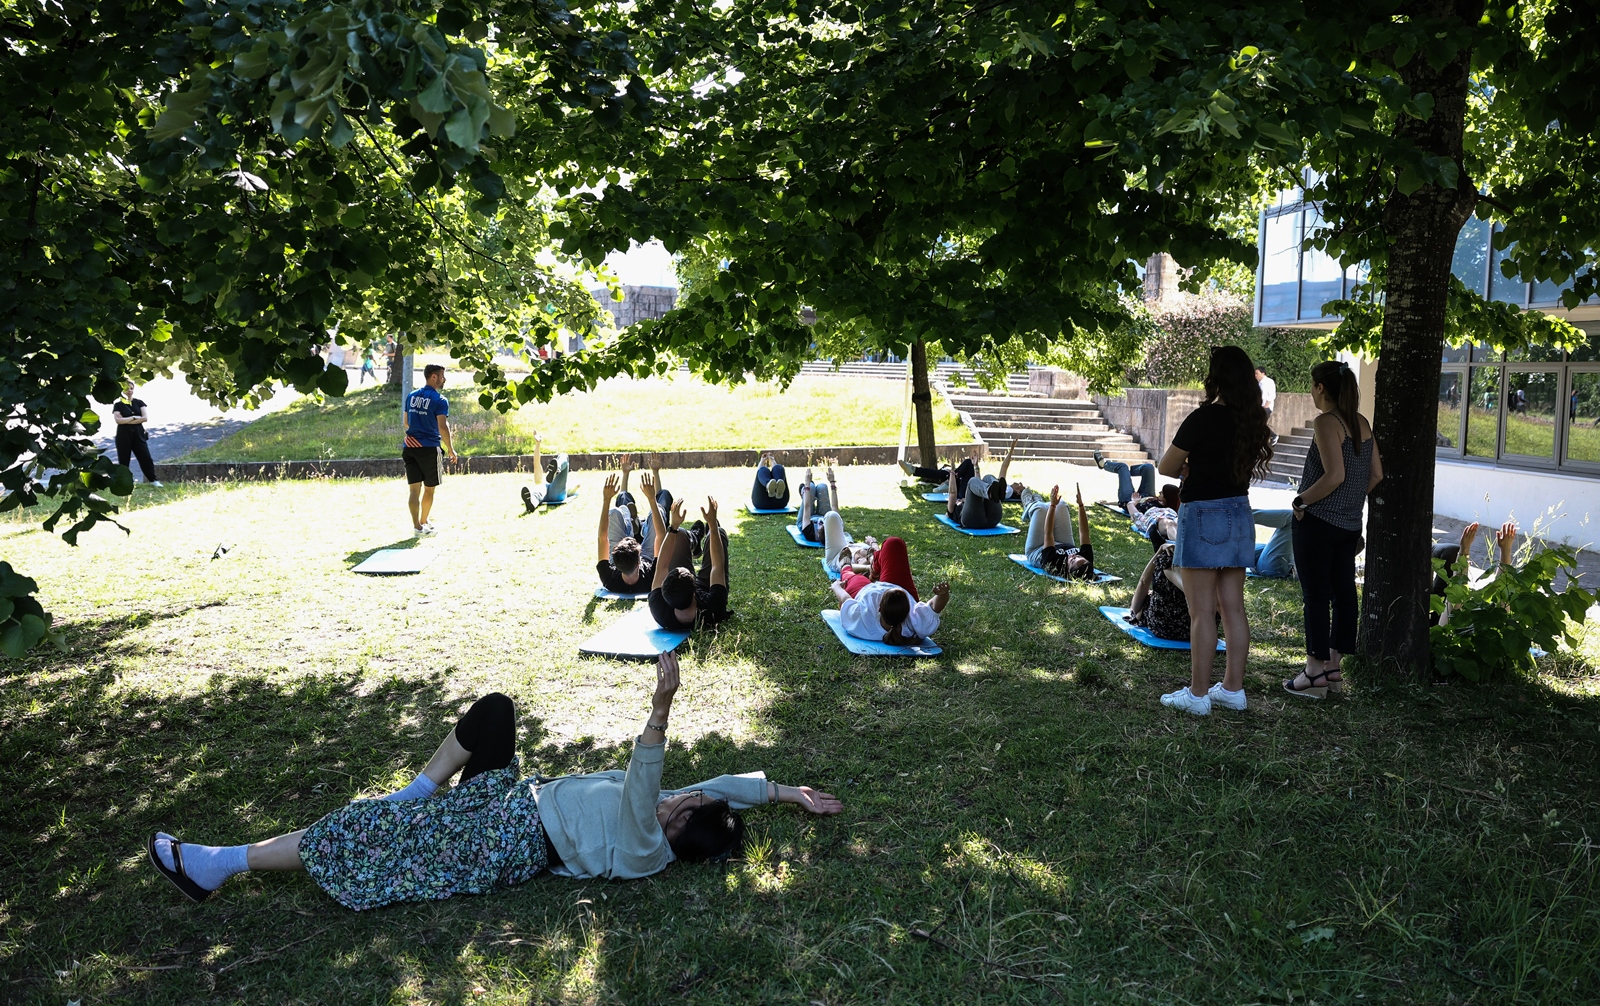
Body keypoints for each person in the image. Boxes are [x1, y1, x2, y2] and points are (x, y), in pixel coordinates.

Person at [146, 653, 843, 908]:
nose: (685, 793)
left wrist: (661, 705)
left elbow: (645, 768)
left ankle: (217, 866)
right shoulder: (665, 815)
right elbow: (718, 781)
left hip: (503, 836)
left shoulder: (642, 844)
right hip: (511, 799)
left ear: (674, 829)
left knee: (356, 832)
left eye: (689, 803)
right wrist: (786, 793)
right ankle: (418, 792)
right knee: (495, 715)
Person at [1154, 345, 1273, 715]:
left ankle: (1198, 695)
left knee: (1202, 612)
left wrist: (1191, 466)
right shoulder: (1253, 420)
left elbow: (1166, 466)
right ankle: (1233, 690)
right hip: (1240, 513)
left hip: (1203, 514)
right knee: (1233, 609)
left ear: (1216, 376)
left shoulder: (1203, 418)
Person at [1284, 360, 1384, 699]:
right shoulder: (1362, 423)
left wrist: (1301, 502)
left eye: (1312, 386)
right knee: (1343, 595)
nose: (1311, 392)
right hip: (1349, 526)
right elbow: (1376, 475)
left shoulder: (1326, 422)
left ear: (1321, 388)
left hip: (1318, 523)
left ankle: (1313, 673)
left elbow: (1334, 475)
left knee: (1315, 596)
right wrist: (1350, 503)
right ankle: (1334, 668)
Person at [829, 543, 950, 644]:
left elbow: (846, 600)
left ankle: (846, 565)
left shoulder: (863, 619)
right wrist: (943, 595)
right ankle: (873, 564)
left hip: (863, 590)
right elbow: (935, 607)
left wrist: (836, 587)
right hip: (894, 583)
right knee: (894, 543)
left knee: (848, 576)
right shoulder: (916, 622)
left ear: (879, 608)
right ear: (908, 610)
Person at [646, 493, 731, 632]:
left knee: (679, 534)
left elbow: (661, 566)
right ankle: (711, 531)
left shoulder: (659, 608)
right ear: (694, 592)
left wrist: (673, 527)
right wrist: (712, 525)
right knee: (719, 533)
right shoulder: (713, 606)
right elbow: (717, 566)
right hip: (707, 589)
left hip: (686, 594)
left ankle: (695, 543)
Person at [596, 458, 673, 594]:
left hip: (633, 559)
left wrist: (606, 500)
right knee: (658, 513)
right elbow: (661, 535)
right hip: (649, 557)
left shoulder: (610, 579)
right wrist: (651, 499)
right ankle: (634, 522)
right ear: (639, 560)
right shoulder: (651, 577)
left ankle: (632, 522)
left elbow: (602, 537)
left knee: (613, 513)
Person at [404, 364, 456, 536]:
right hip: (429, 449)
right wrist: (451, 449)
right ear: (433, 377)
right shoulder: (440, 400)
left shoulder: (411, 396)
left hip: (409, 448)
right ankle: (424, 521)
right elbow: (443, 426)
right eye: (442, 376)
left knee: (413, 490)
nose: (444, 379)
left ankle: (416, 527)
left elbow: (406, 423)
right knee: (430, 488)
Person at [1021, 485, 1098, 579]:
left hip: (1038, 549)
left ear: (1067, 569)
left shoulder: (1054, 564)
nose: (1075, 555)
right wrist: (1081, 505)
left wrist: (1052, 505)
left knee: (1039, 508)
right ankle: (1038, 500)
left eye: (1073, 560)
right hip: (1063, 543)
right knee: (1061, 504)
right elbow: (1084, 533)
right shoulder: (1086, 562)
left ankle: (1029, 503)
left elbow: (1048, 533)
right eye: (1079, 557)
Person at [945, 437, 1020, 529]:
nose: (958, 500)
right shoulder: (951, 512)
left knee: (988, 477)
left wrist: (975, 466)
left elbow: (976, 486)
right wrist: (952, 473)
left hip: (992, 518)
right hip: (974, 521)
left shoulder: (958, 504)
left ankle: (994, 492)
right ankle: (991, 492)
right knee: (972, 481)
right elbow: (953, 493)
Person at [1126, 541, 1193, 642]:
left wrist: (1160, 550)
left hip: (1173, 629)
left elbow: (1144, 582)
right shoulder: (1151, 606)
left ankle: (1191, 591)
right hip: (1201, 627)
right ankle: (1191, 591)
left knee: (1166, 558)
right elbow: (1143, 582)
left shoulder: (1142, 610)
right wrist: (1160, 552)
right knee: (1166, 558)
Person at [111, 381, 162, 488]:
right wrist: (134, 418)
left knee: (146, 457)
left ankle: (153, 480)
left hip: (138, 434)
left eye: (131, 388)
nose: (129, 391)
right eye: (127, 389)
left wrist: (127, 420)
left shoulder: (139, 402)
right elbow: (118, 420)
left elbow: (145, 418)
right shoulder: (118, 405)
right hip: (123, 435)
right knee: (124, 459)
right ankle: (124, 482)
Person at [520, 431, 570, 511]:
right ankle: (531, 503)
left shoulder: (540, 481)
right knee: (564, 456)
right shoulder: (541, 481)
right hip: (556, 494)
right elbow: (536, 464)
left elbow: (536, 464)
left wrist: (538, 444)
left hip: (546, 490)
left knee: (537, 491)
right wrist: (538, 444)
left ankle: (532, 502)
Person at [1092, 449, 1157, 506]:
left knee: (1122, 466)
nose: (1159, 492)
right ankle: (1127, 472)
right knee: (1148, 467)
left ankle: (1103, 464)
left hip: (1131, 500)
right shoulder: (1163, 503)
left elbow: (1128, 505)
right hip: (1148, 495)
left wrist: (1108, 503)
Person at [794, 465, 838, 543]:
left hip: (806, 521)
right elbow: (834, 506)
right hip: (821, 516)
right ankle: (807, 492)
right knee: (822, 487)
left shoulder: (809, 532)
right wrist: (832, 482)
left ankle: (803, 491)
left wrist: (807, 482)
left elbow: (807, 507)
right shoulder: (835, 527)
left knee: (811, 486)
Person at [1248, 510, 1296, 579]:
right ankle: (1236, 516)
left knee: (1293, 517)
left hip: (1279, 566)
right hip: (1269, 561)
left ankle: (1236, 516)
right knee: (1236, 549)